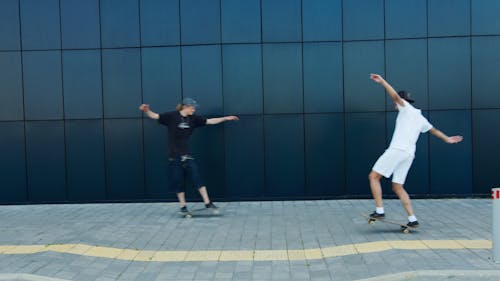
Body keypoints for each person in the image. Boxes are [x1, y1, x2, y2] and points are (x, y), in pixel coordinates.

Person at [368, 74, 463, 227]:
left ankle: (379, 211)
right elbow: (434, 130)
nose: (394, 105)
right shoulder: (420, 117)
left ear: (401, 101)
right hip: (408, 154)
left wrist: (382, 82)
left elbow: (394, 96)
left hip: (398, 150)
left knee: (373, 176)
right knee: (397, 186)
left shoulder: (406, 108)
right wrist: (447, 139)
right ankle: (412, 219)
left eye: (396, 102)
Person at [139, 98, 239, 215]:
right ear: (185, 106)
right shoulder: (171, 116)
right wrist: (147, 110)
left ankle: (207, 203)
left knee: (197, 178)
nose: (194, 109)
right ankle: (183, 206)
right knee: (178, 181)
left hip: (186, 155)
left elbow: (210, 121)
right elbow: (155, 116)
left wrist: (226, 118)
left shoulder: (194, 119)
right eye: (192, 107)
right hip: (174, 156)